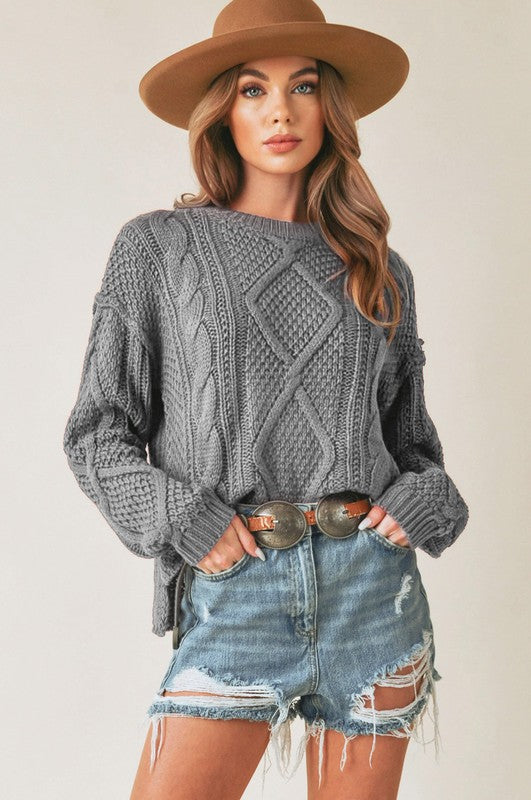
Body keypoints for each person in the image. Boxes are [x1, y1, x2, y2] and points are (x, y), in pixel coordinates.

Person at [62, 1, 469, 798]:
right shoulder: (158, 248)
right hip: (238, 587)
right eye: (253, 89)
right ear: (223, 110)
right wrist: (184, 518)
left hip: (372, 591)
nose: (280, 111)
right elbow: (97, 434)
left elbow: (412, 446)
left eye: (303, 87)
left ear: (330, 107)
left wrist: (426, 497)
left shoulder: (379, 269)